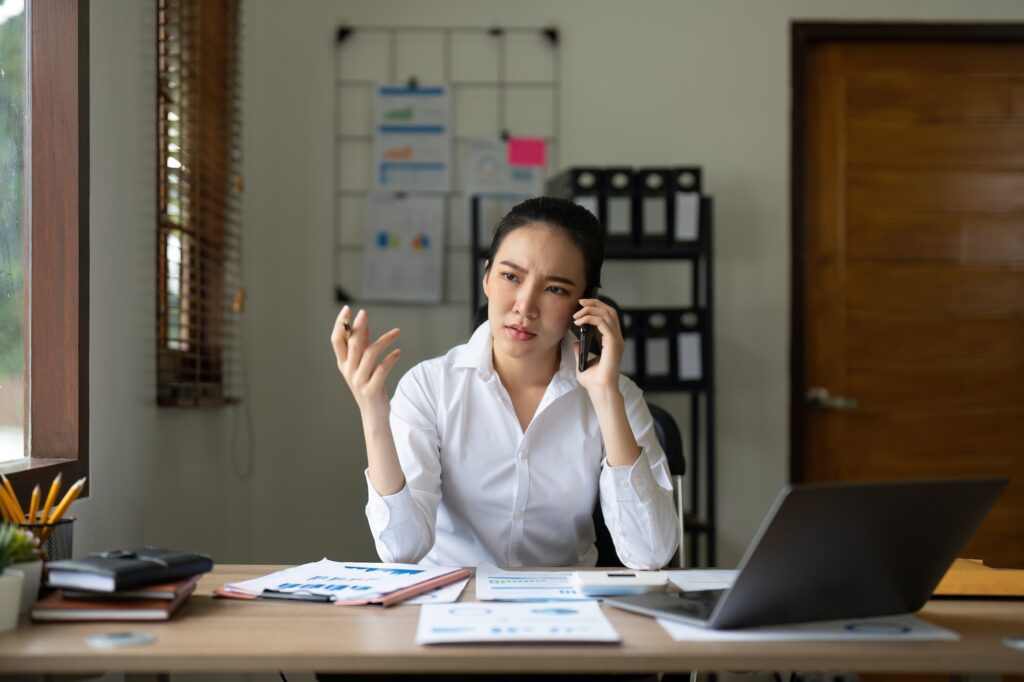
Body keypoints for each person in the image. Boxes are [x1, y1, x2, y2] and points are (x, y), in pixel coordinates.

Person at [330, 196, 679, 570]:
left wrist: (606, 396)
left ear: (586, 304)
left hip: (564, 610)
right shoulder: (430, 387)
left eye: (555, 289)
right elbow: (401, 551)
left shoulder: (617, 395)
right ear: (486, 278)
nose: (524, 307)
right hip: (451, 605)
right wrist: (373, 413)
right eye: (510, 277)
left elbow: (650, 555)